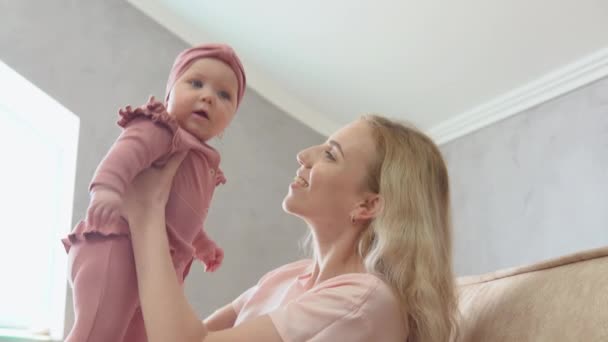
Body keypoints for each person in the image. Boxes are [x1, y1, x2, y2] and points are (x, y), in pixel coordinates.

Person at [121, 115, 459, 341]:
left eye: (330, 155)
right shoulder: (287, 278)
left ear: (367, 205)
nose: (303, 155)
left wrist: (148, 212)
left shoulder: (364, 301)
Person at [62, 43, 246, 342]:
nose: (208, 96)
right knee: (99, 331)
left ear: (229, 122)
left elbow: (182, 212)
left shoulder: (204, 161)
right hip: (116, 247)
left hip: (157, 265)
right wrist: (106, 190)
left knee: (142, 335)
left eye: (224, 95)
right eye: (196, 83)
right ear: (169, 94)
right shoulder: (162, 130)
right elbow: (124, 154)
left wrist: (201, 242)